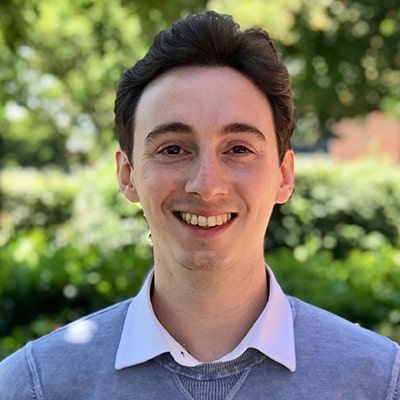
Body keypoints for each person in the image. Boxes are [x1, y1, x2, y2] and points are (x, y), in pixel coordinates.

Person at [0, 11, 399, 400]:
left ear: (283, 175)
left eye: (238, 149)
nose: (207, 186)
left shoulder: (381, 382)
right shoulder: (37, 386)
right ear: (127, 175)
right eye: (173, 149)